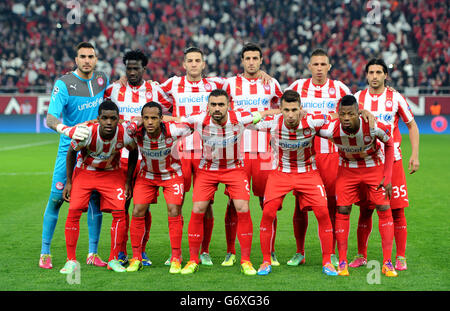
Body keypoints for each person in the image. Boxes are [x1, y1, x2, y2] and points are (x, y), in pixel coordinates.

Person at [169, 89, 277, 275]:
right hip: (208, 169)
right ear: (208, 106)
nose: (217, 108)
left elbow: (266, 117)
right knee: (197, 209)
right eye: (213, 105)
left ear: (228, 105)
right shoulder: (197, 120)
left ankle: (245, 260)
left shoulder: (241, 118)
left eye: (221, 105)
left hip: (234, 168)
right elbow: (173, 124)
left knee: (243, 208)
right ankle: (193, 260)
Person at [40, 42, 109, 269]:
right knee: (57, 199)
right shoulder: (64, 83)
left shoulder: (102, 80)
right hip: (69, 149)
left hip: (95, 150)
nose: (87, 60)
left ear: (96, 59)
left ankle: (92, 253)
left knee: (95, 201)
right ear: (76, 59)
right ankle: (45, 253)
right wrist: (67, 130)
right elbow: (50, 119)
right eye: (83, 56)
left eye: (91, 56)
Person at [254, 90, 337, 276]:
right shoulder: (272, 123)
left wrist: (363, 114)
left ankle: (327, 261)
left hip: (308, 172)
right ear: (280, 110)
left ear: (301, 109)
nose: (290, 115)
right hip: (281, 172)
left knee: (323, 212)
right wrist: (263, 114)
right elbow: (245, 120)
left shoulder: (314, 121)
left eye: (294, 110)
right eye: (286, 110)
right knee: (268, 212)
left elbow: (337, 120)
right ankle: (266, 261)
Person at [104, 49, 172, 267]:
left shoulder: (155, 89)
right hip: (118, 158)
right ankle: (120, 251)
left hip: (145, 159)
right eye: (129, 68)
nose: (132, 72)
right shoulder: (113, 90)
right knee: (121, 206)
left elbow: (169, 110)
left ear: (144, 69)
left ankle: (141, 251)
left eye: (136, 68)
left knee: (142, 207)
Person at [285, 48, 352, 267]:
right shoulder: (297, 87)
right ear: (309, 66)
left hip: (332, 154)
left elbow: (349, 114)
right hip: (305, 154)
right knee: (299, 205)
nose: (319, 68)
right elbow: (284, 109)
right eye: (316, 64)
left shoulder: (340, 88)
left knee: (331, 205)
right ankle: (299, 251)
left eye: (323, 64)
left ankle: (330, 252)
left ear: (329, 66)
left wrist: (329, 116)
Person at [351, 58, 419, 270]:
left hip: (394, 161)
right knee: (365, 210)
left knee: (397, 211)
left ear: (385, 75)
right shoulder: (358, 98)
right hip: (367, 162)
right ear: (366, 75)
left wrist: (415, 155)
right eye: (371, 72)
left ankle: (400, 257)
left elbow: (412, 125)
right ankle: (361, 255)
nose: (374, 76)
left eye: (378, 72)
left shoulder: (395, 97)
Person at [318, 94, 397, 277]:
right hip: (347, 170)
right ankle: (343, 261)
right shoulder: (331, 129)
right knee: (343, 210)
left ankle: (387, 262)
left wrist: (388, 176)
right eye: (343, 114)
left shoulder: (373, 125)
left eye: (351, 114)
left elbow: (390, 144)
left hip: (373, 168)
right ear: (338, 114)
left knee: (384, 208)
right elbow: (309, 127)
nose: (346, 118)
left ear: (358, 113)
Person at [160, 47, 225, 266]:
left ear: (204, 64)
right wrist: (171, 118)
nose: (194, 64)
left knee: (205, 204)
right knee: (176, 203)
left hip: (208, 152)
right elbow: (149, 99)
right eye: (190, 60)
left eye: (198, 60)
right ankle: (175, 252)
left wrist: (262, 74)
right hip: (179, 151)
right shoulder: (172, 84)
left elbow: (242, 83)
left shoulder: (215, 85)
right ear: (184, 64)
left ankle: (204, 251)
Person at [222, 43, 283, 267]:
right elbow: (212, 98)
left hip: (265, 151)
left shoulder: (271, 84)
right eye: (247, 58)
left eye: (255, 58)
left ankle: (271, 251)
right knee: (233, 202)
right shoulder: (229, 84)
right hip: (236, 151)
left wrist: (264, 113)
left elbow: (285, 109)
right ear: (242, 61)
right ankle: (231, 252)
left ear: (261, 60)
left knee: (267, 202)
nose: (251, 62)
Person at [60, 100, 137, 274]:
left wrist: (128, 181)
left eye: (113, 118)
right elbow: (72, 152)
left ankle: (112, 259)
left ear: (118, 119)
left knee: (120, 212)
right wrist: (69, 182)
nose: (109, 122)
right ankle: (70, 260)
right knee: (74, 211)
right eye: (105, 118)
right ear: (98, 119)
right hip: (85, 172)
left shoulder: (125, 134)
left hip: (111, 174)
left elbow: (134, 151)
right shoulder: (87, 133)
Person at [124, 102, 192, 274]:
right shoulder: (137, 132)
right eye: (146, 118)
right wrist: (135, 122)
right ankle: (137, 257)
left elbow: (193, 125)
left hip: (172, 175)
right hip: (147, 175)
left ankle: (176, 257)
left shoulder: (174, 130)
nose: (150, 122)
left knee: (174, 210)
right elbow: (125, 130)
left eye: (154, 118)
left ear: (161, 119)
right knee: (138, 210)